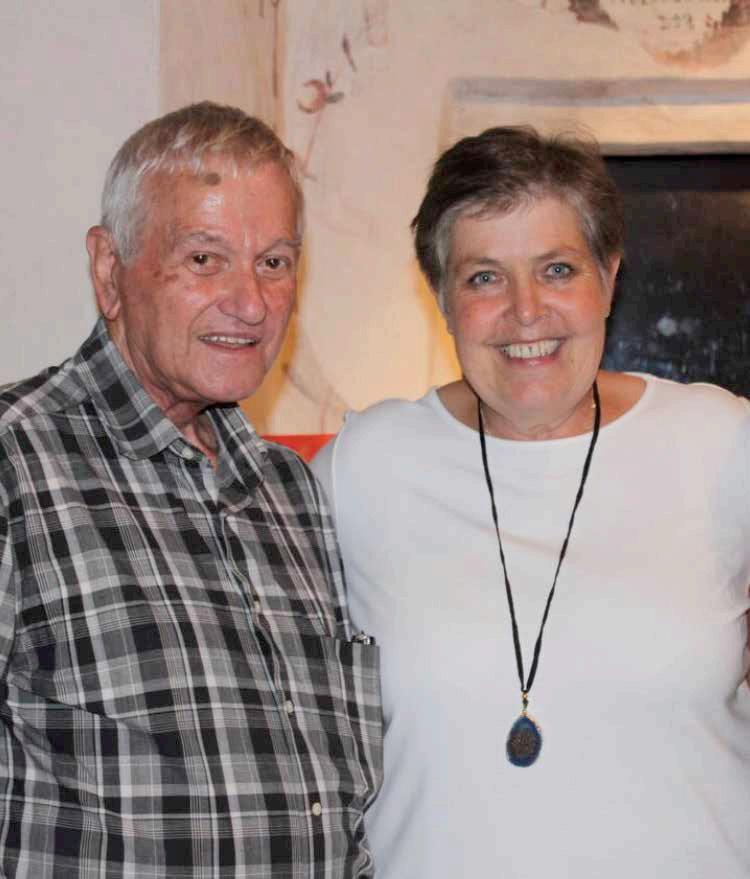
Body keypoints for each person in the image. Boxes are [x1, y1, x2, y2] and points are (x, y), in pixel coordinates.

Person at [311, 126, 750, 877]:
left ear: (608, 278)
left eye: (557, 269)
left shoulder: (721, 442)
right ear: (442, 299)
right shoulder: (366, 465)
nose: (525, 311)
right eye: (484, 277)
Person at [0, 101, 381, 878]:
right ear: (110, 271)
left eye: (274, 262)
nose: (251, 301)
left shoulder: (293, 493)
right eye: (205, 258)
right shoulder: (16, 462)